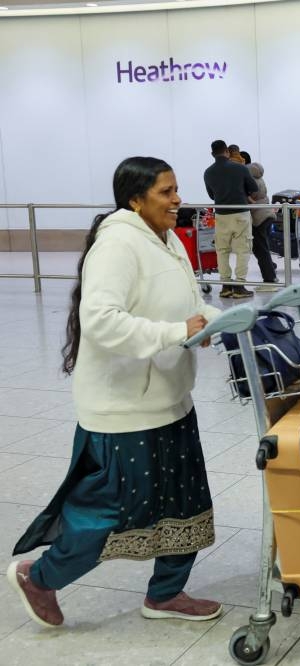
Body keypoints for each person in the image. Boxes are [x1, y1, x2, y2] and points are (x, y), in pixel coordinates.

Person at [7, 156, 222, 628]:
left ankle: (166, 594)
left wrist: (209, 319)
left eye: (176, 189)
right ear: (135, 199)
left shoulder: (166, 239)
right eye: (166, 192)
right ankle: (39, 578)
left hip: (168, 397)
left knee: (186, 499)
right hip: (126, 408)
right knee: (114, 512)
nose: (177, 199)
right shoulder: (119, 244)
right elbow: (100, 321)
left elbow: (187, 300)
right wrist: (173, 332)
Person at [204, 139, 257, 299]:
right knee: (243, 249)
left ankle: (225, 286)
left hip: (221, 215)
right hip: (240, 213)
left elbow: (212, 195)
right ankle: (239, 286)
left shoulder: (208, 172)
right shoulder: (239, 168)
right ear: (227, 151)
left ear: (212, 154)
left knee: (222, 250)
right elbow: (253, 189)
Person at [247, 162, 279, 291]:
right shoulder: (261, 180)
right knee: (263, 248)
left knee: (261, 250)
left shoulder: (252, 182)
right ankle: (271, 277)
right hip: (267, 215)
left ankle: (269, 281)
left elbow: (249, 198)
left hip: (259, 218)